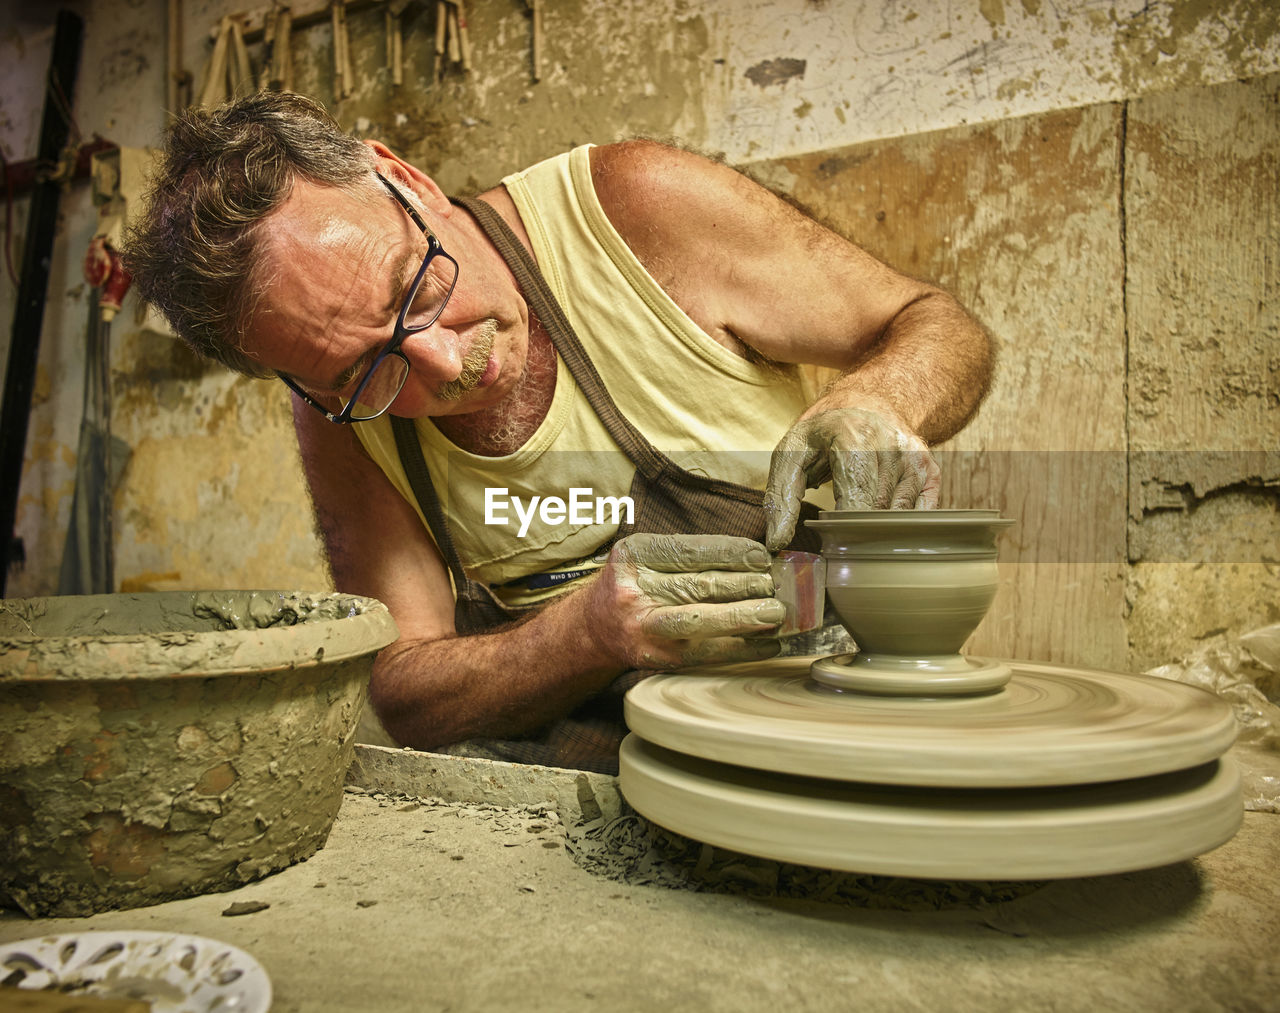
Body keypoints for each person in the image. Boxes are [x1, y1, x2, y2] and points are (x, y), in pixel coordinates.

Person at [126, 92, 993, 773]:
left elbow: (936, 322)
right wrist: (584, 635)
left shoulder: (636, 211)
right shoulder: (338, 418)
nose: (443, 362)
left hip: (834, 726)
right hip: (591, 775)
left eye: (414, 289)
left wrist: (878, 399)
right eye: (366, 371)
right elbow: (407, 695)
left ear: (408, 181)